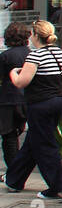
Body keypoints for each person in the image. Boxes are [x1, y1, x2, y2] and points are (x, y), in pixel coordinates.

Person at [3, 19, 62, 198]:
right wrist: (61, 97)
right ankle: (14, 179)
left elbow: (21, 82)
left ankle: (57, 186)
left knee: (45, 145)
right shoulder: (60, 54)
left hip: (39, 104)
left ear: (35, 36)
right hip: (56, 101)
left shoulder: (36, 56)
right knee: (32, 143)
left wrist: (13, 72)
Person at [0, 22, 30, 176]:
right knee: (23, 134)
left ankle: (13, 170)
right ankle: (18, 169)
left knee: (9, 137)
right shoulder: (31, 53)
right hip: (27, 99)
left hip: (8, 100)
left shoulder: (5, 56)